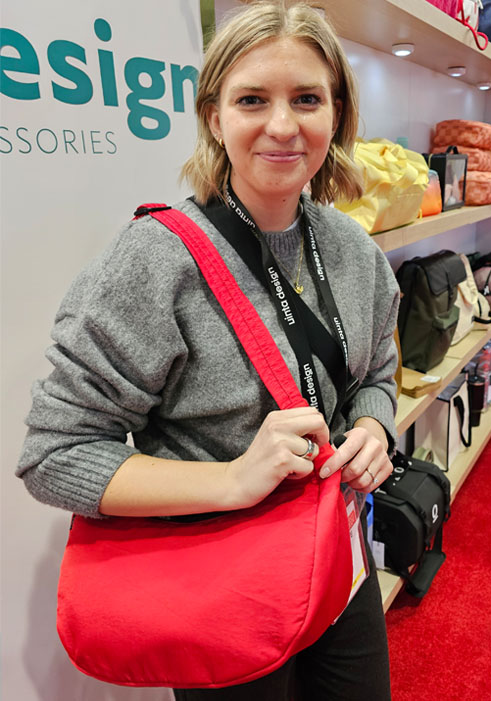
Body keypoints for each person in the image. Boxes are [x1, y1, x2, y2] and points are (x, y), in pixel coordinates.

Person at [17, 2, 400, 699]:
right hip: (219, 582)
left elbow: (376, 370)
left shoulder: (355, 252)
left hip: (340, 561)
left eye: (307, 99)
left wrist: (374, 425)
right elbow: (54, 456)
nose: (282, 125)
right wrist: (231, 479)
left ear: (336, 114)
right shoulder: (156, 261)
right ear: (214, 116)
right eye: (253, 99)